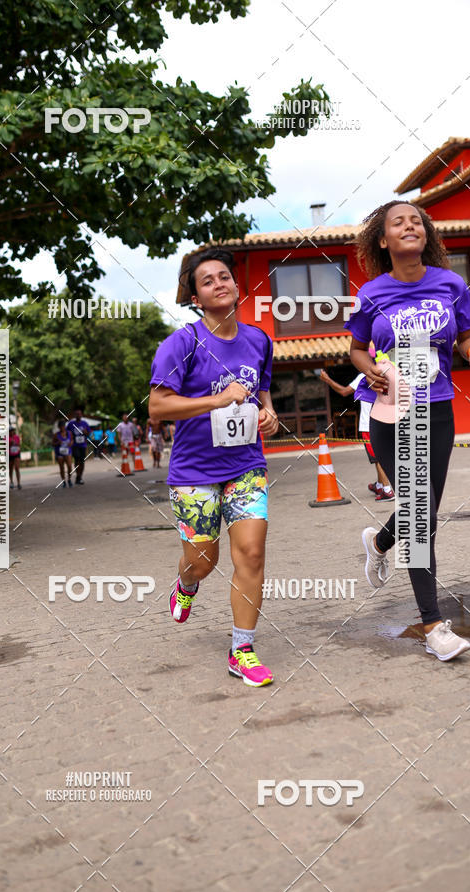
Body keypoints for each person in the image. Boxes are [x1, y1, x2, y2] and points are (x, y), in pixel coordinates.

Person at [347, 200, 470, 662]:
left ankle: (379, 541)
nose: (410, 226)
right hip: (391, 412)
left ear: (426, 235)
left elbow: (465, 334)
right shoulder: (372, 293)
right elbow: (355, 349)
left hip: (438, 409)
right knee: (417, 517)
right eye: (398, 223)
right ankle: (433, 625)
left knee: (423, 512)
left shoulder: (450, 284)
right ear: (384, 240)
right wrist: (369, 369)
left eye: (417, 221)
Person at [149, 247, 279, 687]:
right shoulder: (181, 344)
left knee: (252, 553)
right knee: (203, 561)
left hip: (245, 466)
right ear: (195, 298)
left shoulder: (259, 341)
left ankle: (241, 649)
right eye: (208, 281)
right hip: (193, 473)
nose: (220, 283)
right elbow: (158, 407)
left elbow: (262, 396)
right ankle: (186, 584)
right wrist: (215, 400)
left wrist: (269, 415)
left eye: (225, 276)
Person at [318, 366, 394, 501]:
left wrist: (327, 380)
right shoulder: (388, 375)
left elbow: (343, 391)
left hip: (369, 423)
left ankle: (387, 490)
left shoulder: (363, 376)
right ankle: (380, 485)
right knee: (377, 455)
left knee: (377, 457)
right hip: (384, 419)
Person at [66, 408, 91, 485]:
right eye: (77, 414)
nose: (78, 415)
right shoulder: (71, 423)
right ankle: (78, 475)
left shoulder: (85, 423)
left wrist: (85, 432)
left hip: (83, 445)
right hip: (75, 445)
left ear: (81, 415)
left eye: (79, 414)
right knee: (77, 460)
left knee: (82, 461)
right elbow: (67, 432)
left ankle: (79, 477)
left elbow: (89, 433)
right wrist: (71, 438)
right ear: (75, 415)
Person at [53, 420, 74, 487]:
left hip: (68, 452)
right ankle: (64, 481)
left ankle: (69, 479)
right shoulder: (56, 435)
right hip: (60, 453)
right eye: (61, 426)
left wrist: (71, 443)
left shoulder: (69, 433)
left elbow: (72, 440)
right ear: (59, 427)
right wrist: (57, 443)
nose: (62, 428)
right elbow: (52, 443)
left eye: (63, 426)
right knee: (61, 467)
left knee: (69, 466)